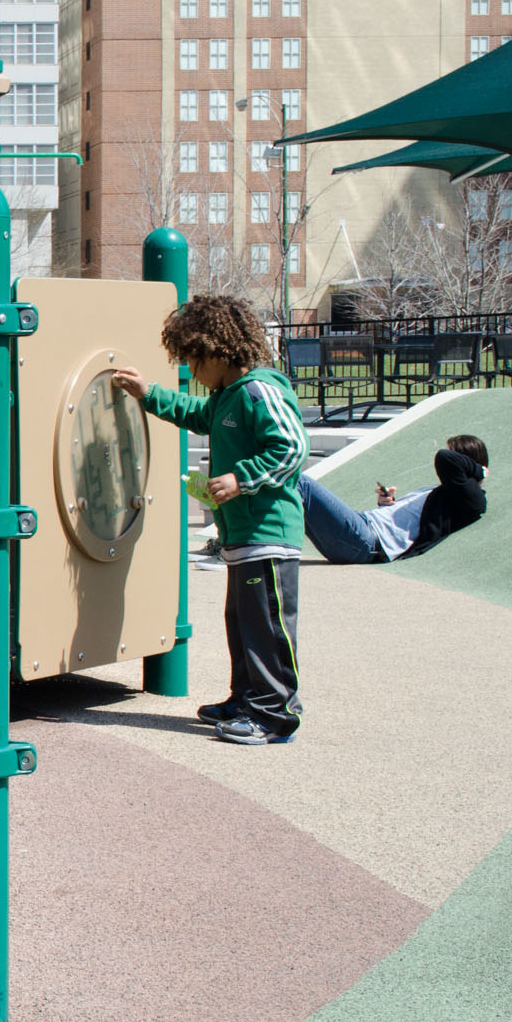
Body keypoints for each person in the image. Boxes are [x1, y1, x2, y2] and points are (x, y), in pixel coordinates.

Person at [112, 295, 310, 746]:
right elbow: (196, 414)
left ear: (218, 350)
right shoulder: (225, 397)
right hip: (242, 537)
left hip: (269, 536)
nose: (193, 373)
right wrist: (148, 394)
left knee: (267, 627)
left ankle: (275, 714)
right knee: (241, 624)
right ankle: (247, 699)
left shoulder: (261, 390)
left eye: (193, 361)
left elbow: (292, 448)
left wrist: (240, 479)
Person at [300, 436, 489, 565]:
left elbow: (445, 457)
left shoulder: (471, 499)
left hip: (365, 541)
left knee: (301, 482)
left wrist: (480, 471)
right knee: (293, 486)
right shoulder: (442, 492)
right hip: (361, 531)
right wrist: (387, 504)